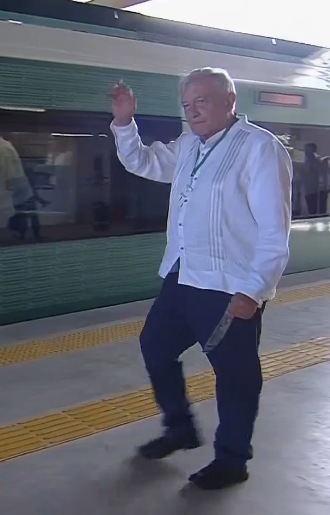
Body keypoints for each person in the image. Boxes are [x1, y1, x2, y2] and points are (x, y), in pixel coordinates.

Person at [109, 68, 292, 490]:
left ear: (229, 100)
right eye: (187, 105)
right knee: (155, 345)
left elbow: (274, 230)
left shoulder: (259, 149)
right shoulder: (190, 146)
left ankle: (232, 459)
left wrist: (255, 290)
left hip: (230, 286)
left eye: (201, 102)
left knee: (235, 375)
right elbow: (144, 161)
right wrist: (123, 122)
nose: (192, 113)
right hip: (183, 274)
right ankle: (180, 427)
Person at [300, 143, 330, 217]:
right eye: (306, 151)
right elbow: (302, 178)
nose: (307, 153)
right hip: (309, 192)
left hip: (320, 191)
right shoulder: (305, 164)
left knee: (321, 212)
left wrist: (328, 188)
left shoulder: (324, 162)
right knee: (312, 212)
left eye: (308, 150)